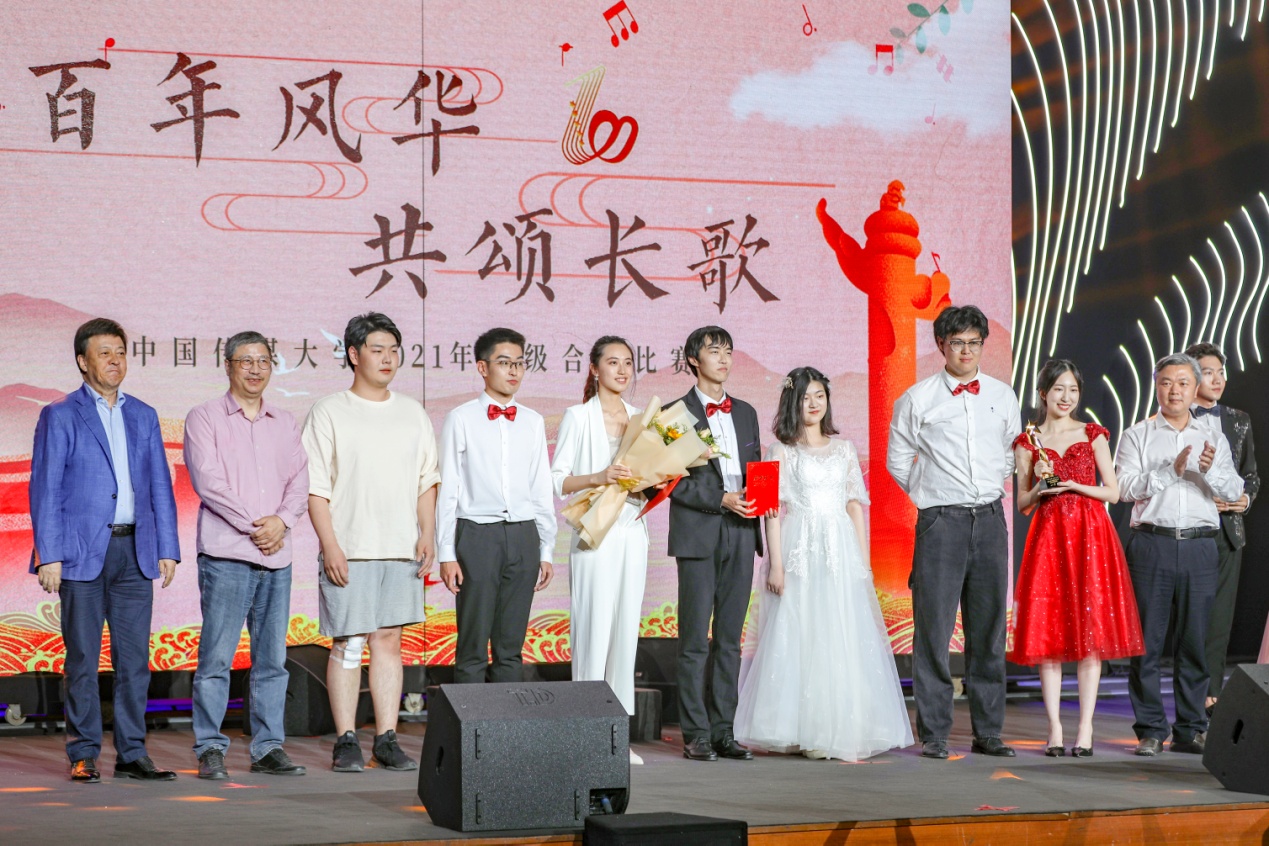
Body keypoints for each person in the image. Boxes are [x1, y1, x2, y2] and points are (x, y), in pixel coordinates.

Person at [29, 318, 181, 783]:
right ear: (83, 361)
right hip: (80, 555)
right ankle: (84, 752)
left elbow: (160, 485)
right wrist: (49, 554)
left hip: (135, 551)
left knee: (135, 662)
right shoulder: (60, 414)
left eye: (120, 352)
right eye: (104, 353)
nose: (115, 361)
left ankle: (132, 753)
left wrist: (168, 547)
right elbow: (45, 488)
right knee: (82, 660)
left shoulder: (143, 414)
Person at [734, 368, 912, 761]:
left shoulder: (845, 449)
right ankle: (798, 728)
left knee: (840, 632)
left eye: (819, 395)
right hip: (798, 549)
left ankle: (838, 727)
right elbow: (769, 513)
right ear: (791, 402)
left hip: (839, 551)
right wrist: (775, 565)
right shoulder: (777, 451)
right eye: (805, 397)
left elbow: (854, 507)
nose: (813, 404)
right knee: (799, 633)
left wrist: (862, 563)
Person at [302, 312, 440, 773]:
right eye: (377, 350)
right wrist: (330, 545)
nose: (387, 358)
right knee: (348, 642)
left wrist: (427, 532)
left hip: (400, 548)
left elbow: (426, 480)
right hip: (351, 547)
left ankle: (386, 737)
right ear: (354, 354)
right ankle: (346, 739)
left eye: (394, 351)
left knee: (389, 641)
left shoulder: (412, 412)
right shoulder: (329, 410)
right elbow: (316, 487)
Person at [887, 304, 1021, 760]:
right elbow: (897, 460)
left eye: (974, 343)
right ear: (941, 345)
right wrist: (931, 496)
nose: (966, 351)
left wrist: (989, 486)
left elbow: (1010, 453)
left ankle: (989, 732)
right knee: (934, 629)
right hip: (940, 522)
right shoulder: (917, 398)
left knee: (989, 630)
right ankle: (935, 733)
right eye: (957, 342)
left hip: (990, 519)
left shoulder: (1002, 395)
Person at [184, 331, 309, 779]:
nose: (256, 369)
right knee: (216, 659)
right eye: (246, 361)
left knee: (272, 660)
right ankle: (209, 747)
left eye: (263, 361)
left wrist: (282, 521)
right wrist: (258, 526)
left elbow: (300, 481)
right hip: (227, 555)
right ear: (228, 366)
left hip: (277, 556)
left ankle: (268, 747)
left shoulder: (285, 421)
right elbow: (208, 482)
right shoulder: (204, 417)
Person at [1009, 359, 1143, 757]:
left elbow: (1113, 492)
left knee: (1091, 635)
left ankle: (1085, 728)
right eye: (1058, 389)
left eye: (1073, 390)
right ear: (1043, 393)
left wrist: (1073, 485)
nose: (1066, 397)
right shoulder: (1027, 443)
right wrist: (1042, 488)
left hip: (1090, 536)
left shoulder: (1092, 434)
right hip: (1049, 538)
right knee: (1048, 634)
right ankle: (1054, 728)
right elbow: (1023, 504)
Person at [1115, 353, 1243, 756]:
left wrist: (1209, 470)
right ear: (1156, 385)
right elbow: (1123, 488)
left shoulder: (1213, 437)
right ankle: (1151, 729)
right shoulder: (1136, 435)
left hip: (1201, 546)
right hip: (1150, 544)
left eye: (1183, 383)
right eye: (1167, 382)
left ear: (1195, 388)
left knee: (1195, 643)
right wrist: (1169, 472)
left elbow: (1234, 490)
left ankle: (1190, 727)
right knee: (1146, 644)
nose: (1175, 391)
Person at [437, 328, 556, 685]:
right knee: (472, 645)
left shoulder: (533, 421)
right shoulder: (461, 418)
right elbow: (449, 488)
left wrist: (546, 549)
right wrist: (446, 552)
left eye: (519, 363)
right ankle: (469, 722)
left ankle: (507, 722)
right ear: (482, 367)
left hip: (523, 535)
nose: (514, 370)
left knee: (511, 647)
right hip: (477, 536)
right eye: (504, 363)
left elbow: (540, 488)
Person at [550, 336, 648, 765]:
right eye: (613, 362)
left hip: (632, 529)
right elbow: (557, 479)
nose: (622, 370)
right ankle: (584, 735)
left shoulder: (641, 418)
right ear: (594, 368)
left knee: (625, 634)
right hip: (594, 533)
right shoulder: (579, 416)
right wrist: (600, 476)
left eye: (628, 362)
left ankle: (616, 738)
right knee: (593, 630)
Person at [668, 326, 763, 762]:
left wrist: (760, 498)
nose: (723, 359)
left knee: (729, 639)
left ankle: (725, 731)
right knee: (694, 640)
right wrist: (719, 498)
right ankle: (696, 733)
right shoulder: (674, 414)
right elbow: (668, 481)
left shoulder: (746, 412)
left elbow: (755, 468)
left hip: (742, 531)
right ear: (693, 359)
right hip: (699, 531)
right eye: (714, 351)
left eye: (728, 351)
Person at [1184, 342, 1258, 714]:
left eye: (1221, 372)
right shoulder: (1176, 418)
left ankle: (1211, 694)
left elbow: (1251, 475)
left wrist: (1244, 499)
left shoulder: (1239, 419)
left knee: (1219, 619)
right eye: (1208, 372)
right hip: (1189, 531)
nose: (1217, 380)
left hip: (1230, 531)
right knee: (1191, 617)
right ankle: (1189, 695)